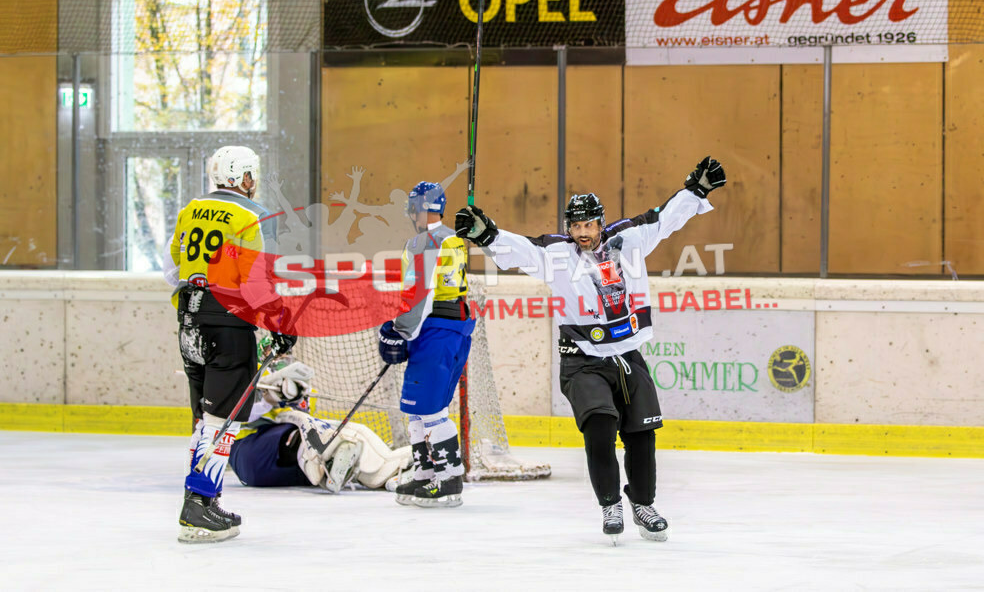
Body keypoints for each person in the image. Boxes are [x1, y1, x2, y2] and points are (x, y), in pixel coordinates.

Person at [454, 156, 726, 543]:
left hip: (628, 356)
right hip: (581, 361)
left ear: (601, 222)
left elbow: (665, 219)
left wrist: (696, 190)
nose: (583, 233)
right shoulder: (557, 255)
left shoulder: (629, 239)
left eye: (589, 225)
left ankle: (644, 504)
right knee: (600, 427)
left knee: (642, 435)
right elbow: (521, 250)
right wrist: (487, 234)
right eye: (576, 226)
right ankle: (610, 505)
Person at [162, 145, 296, 544]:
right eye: (253, 175)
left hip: (189, 323)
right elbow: (258, 281)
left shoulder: (191, 210)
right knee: (224, 419)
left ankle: (206, 498)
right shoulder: (253, 216)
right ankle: (198, 505)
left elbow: (172, 268)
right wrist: (279, 320)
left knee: (204, 418)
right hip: (227, 326)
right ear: (245, 177)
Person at [377, 181, 475, 508]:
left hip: (434, 330)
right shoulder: (453, 238)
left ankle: (449, 479)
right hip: (451, 330)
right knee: (421, 407)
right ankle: (425, 473)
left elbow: (419, 292)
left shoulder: (424, 242)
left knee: (430, 410)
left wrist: (399, 331)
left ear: (417, 208)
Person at [228, 345, 413, 492]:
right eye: (275, 353)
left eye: (285, 354)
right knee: (300, 435)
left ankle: (394, 472)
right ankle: (329, 465)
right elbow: (233, 414)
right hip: (248, 449)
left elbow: (306, 415)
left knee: (353, 432)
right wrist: (268, 400)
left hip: (289, 470)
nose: (281, 358)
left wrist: (297, 398)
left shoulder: (303, 386)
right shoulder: (251, 374)